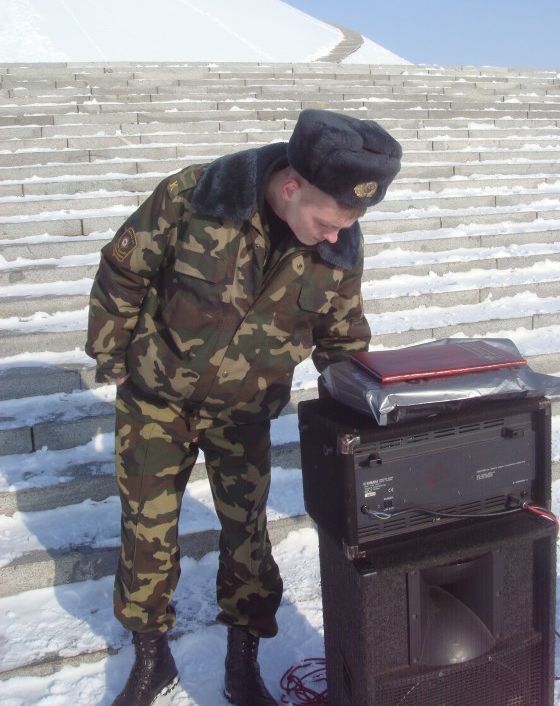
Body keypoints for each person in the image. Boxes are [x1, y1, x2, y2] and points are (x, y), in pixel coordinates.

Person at [85, 108, 402, 706]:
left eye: (348, 224)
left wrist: (366, 408)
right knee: (146, 535)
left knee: (247, 537)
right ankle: (151, 660)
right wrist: (116, 359)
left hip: (245, 414)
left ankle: (242, 660)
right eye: (328, 221)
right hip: (156, 404)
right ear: (291, 187)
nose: (337, 235)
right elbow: (124, 270)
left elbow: (342, 340)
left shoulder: (338, 247)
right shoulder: (195, 197)